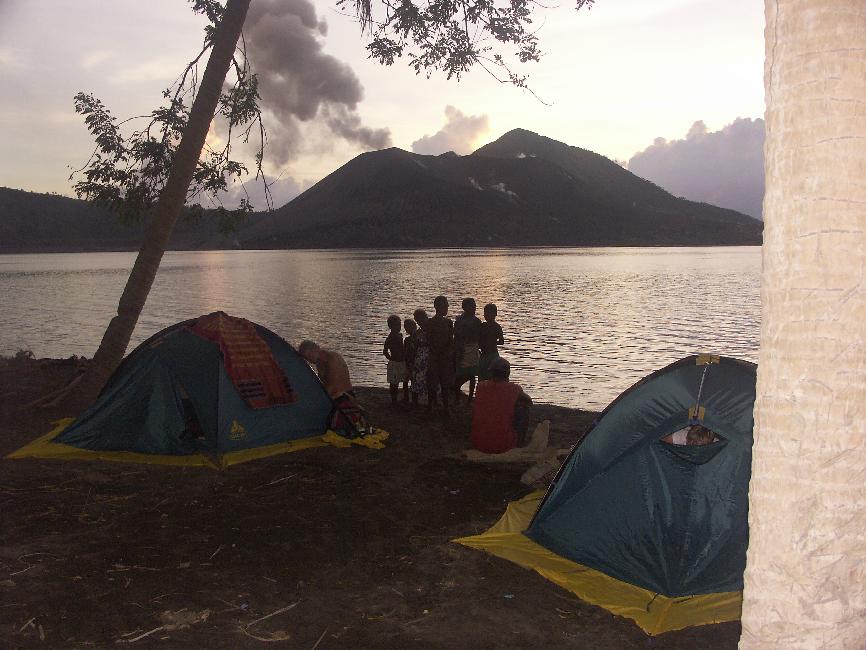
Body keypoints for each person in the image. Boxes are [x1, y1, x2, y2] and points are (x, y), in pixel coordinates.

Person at [470, 357, 533, 454]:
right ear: (508, 374)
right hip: (504, 446)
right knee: (523, 408)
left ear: (491, 372)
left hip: (478, 443)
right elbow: (529, 402)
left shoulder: (480, 386)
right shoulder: (514, 388)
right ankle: (519, 443)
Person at [425, 295, 454, 414]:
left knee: (445, 383)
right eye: (445, 304)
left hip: (445, 356)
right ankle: (431, 406)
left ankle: (446, 407)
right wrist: (436, 351)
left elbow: (451, 339)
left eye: (447, 304)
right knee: (432, 383)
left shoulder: (448, 322)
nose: (447, 306)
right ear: (437, 307)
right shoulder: (430, 322)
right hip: (434, 356)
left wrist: (448, 352)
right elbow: (428, 339)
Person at [453, 297, 482, 402]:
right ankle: (457, 395)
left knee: (472, 374)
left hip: (473, 348)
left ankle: (470, 397)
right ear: (464, 307)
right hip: (462, 349)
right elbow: (456, 335)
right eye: (472, 305)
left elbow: (480, 336)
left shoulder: (476, 321)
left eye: (474, 305)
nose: (474, 307)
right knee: (461, 374)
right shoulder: (460, 320)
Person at [383, 315, 409, 404]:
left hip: (402, 361)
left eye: (399, 325)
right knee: (394, 383)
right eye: (397, 325)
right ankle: (394, 400)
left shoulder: (399, 336)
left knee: (405, 380)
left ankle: (406, 398)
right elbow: (385, 351)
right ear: (391, 326)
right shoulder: (390, 338)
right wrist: (391, 358)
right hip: (395, 362)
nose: (399, 327)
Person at [478, 303, 505, 380]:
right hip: (483, 355)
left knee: (493, 377)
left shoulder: (497, 327)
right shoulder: (482, 326)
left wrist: (492, 342)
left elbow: (502, 341)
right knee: (482, 376)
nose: (486, 315)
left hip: (493, 355)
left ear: (495, 314)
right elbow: (478, 339)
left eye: (489, 313)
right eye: (485, 313)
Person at [410, 309, 430, 407]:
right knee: (417, 379)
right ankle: (415, 402)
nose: (418, 322)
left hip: (428, 357)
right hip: (420, 358)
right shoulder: (417, 332)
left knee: (428, 379)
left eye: (419, 319)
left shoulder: (431, 328)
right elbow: (413, 346)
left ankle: (428, 401)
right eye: (417, 320)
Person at [403, 318, 420, 406]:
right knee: (406, 381)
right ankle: (406, 397)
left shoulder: (418, 339)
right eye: (407, 328)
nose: (408, 330)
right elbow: (405, 352)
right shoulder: (407, 340)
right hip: (408, 362)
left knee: (413, 382)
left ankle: (414, 400)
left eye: (410, 327)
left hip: (415, 363)